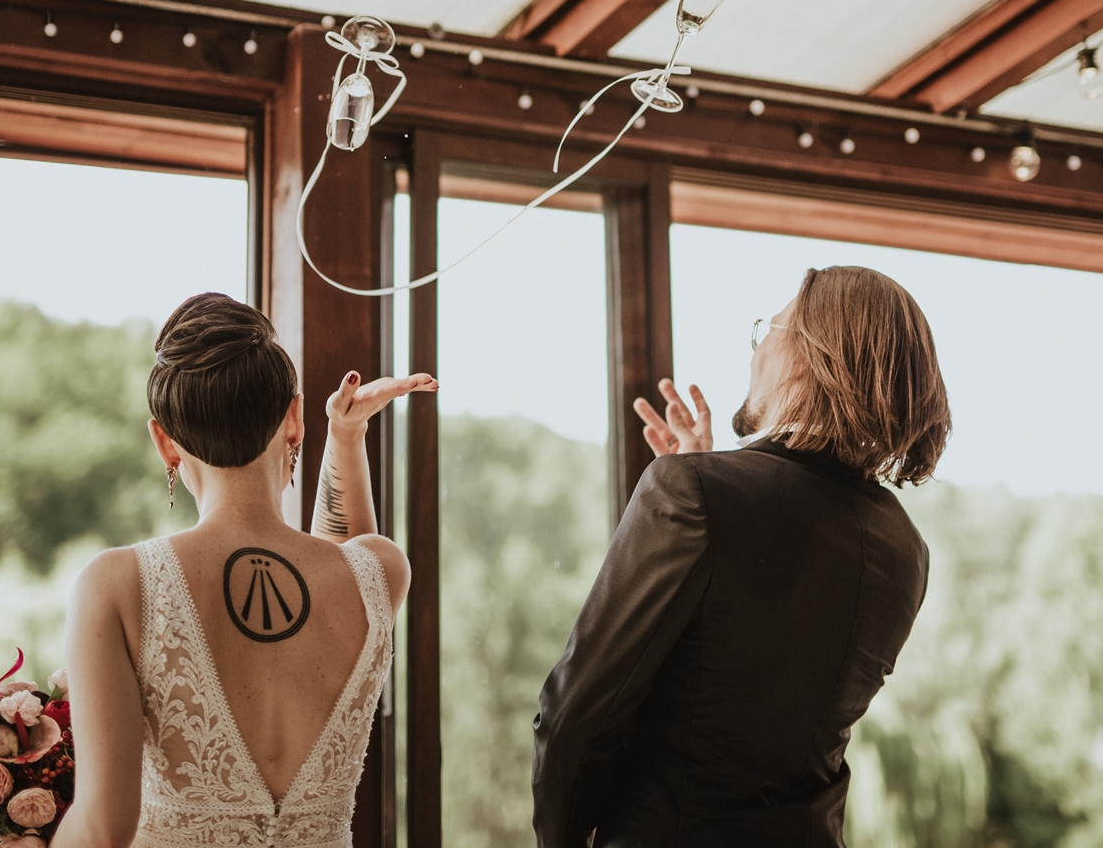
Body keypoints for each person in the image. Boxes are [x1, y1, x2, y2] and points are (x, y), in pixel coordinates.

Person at [532, 264, 950, 848]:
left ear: (806, 358)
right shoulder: (906, 550)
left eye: (767, 331)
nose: (754, 353)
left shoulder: (693, 493)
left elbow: (575, 715)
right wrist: (704, 477)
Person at [53, 292, 434, 848]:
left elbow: (101, 828)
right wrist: (346, 436)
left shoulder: (115, 585)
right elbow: (345, 559)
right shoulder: (380, 572)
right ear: (294, 418)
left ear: (164, 443)